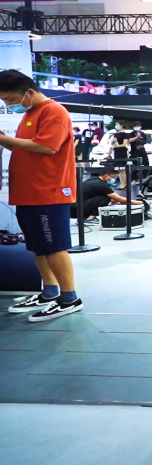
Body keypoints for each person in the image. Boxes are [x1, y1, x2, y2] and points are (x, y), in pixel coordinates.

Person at [0, 70, 84, 323]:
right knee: (38, 246)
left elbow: (47, 147)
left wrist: (6, 139)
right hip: (28, 191)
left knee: (54, 247)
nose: (9, 105)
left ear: (29, 92)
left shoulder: (54, 111)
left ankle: (70, 298)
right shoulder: (30, 114)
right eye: (4, 101)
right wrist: (4, 140)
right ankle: (49, 292)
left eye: (11, 99)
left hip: (49, 191)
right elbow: (23, 147)